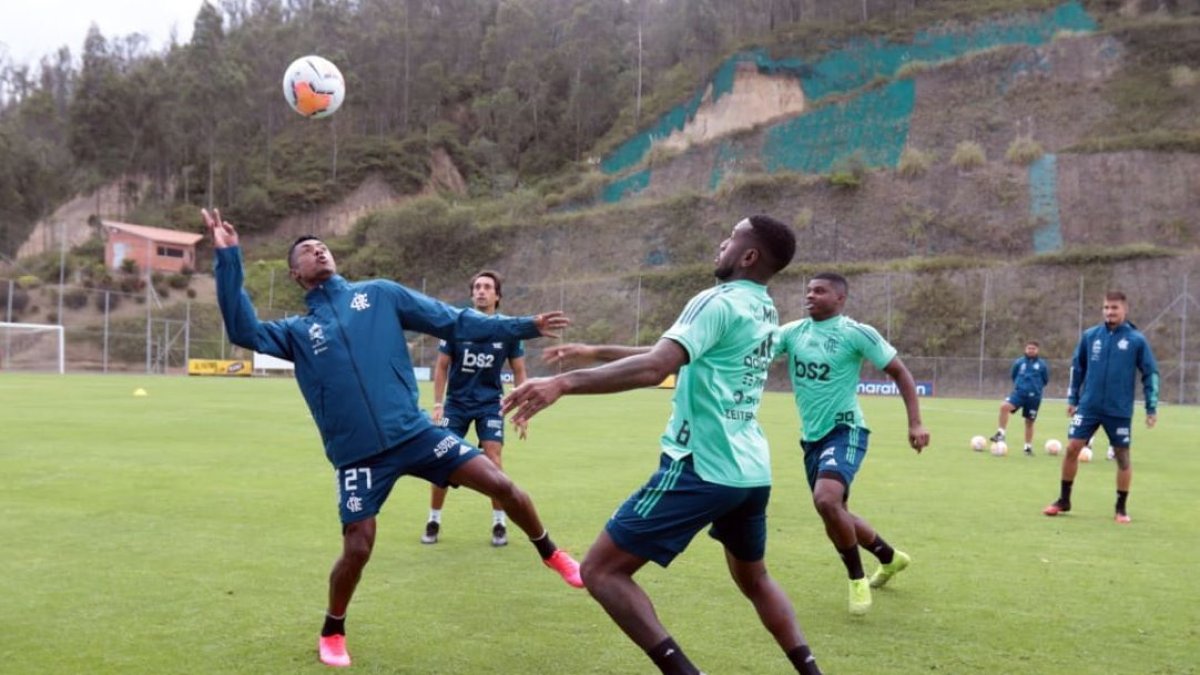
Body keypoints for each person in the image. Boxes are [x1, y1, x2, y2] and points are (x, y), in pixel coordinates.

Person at [201, 209, 583, 669]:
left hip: (416, 433)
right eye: (305, 251)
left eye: (322, 245)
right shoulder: (297, 332)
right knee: (358, 546)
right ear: (296, 274)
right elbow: (244, 330)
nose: (317, 250)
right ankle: (333, 628)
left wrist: (523, 325)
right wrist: (228, 256)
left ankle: (551, 552)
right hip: (359, 456)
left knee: (501, 484)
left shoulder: (378, 295)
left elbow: (455, 321)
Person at [506, 215, 823, 675]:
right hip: (750, 471)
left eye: (732, 237)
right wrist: (594, 352)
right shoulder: (763, 309)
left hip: (701, 466)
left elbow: (657, 368)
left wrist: (563, 383)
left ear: (749, 255)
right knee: (755, 579)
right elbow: (673, 354)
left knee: (600, 571)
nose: (722, 243)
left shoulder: (715, 301)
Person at [775, 272, 929, 615]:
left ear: (840, 298)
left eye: (820, 291)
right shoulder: (792, 333)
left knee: (826, 501)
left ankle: (856, 579)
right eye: (809, 290)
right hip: (811, 438)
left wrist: (915, 421)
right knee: (836, 512)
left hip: (847, 430)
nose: (810, 295)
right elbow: (752, 352)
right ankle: (890, 558)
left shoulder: (855, 333)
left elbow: (900, 372)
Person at [422, 270, 528, 547]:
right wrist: (438, 404)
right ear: (472, 294)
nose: (481, 291)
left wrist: (523, 408)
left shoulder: (508, 330)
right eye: (477, 287)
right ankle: (433, 520)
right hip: (456, 405)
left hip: (491, 404)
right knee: (442, 458)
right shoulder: (456, 325)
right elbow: (442, 366)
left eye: (487, 287)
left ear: (497, 295)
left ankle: (499, 524)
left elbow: (519, 371)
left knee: (493, 459)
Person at [1043, 291, 1158, 524]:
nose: (1109, 312)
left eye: (1114, 308)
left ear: (1124, 310)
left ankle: (1121, 507)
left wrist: (1151, 407)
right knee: (1073, 447)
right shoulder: (1090, 336)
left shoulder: (1136, 340)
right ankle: (1064, 500)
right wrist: (1073, 398)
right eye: (1106, 307)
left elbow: (1150, 373)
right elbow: (1078, 367)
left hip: (1118, 409)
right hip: (1089, 406)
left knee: (1122, 456)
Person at [988, 340, 1050, 456]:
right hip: (1019, 394)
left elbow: (1045, 380)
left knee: (1029, 422)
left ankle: (1027, 447)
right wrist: (1021, 386)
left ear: (1037, 350)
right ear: (1025, 349)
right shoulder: (1019, 362)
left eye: (1033, 348)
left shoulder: (1042, 365)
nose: (1031, 350)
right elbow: (1014, 375)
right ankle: (1001, 433)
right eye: (1029, 348)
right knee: (1004, 407)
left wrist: (1035, 388)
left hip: (1034, 397)